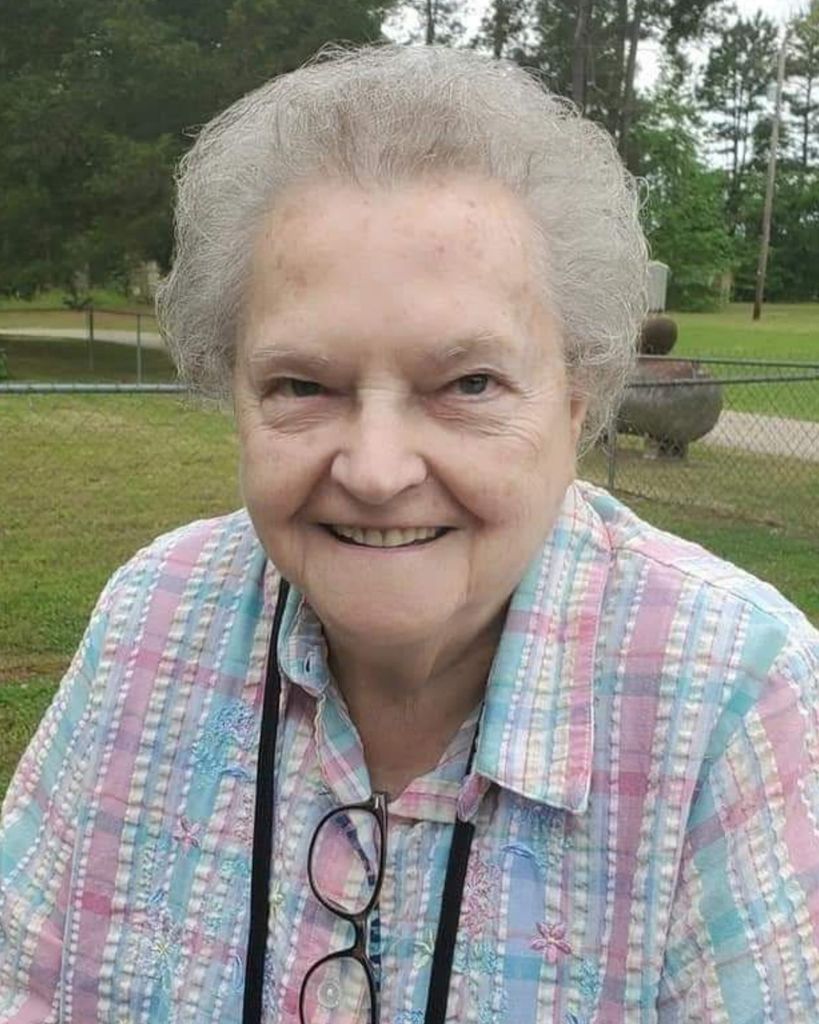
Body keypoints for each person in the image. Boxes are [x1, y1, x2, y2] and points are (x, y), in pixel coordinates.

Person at [1, 44, 818, 1024]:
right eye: (302, 384)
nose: (377, 471)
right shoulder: (152, 619)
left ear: (575, 403)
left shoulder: (734, 694)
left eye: (468, 383)